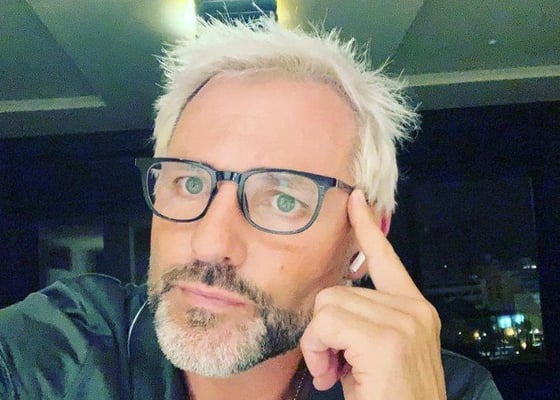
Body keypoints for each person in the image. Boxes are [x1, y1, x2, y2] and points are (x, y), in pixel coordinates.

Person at [0, 17, 502, 400]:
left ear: (361, 241)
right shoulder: (61, 347)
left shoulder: (441, 390)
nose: (210, 243)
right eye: (190, 182)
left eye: (283, 199)